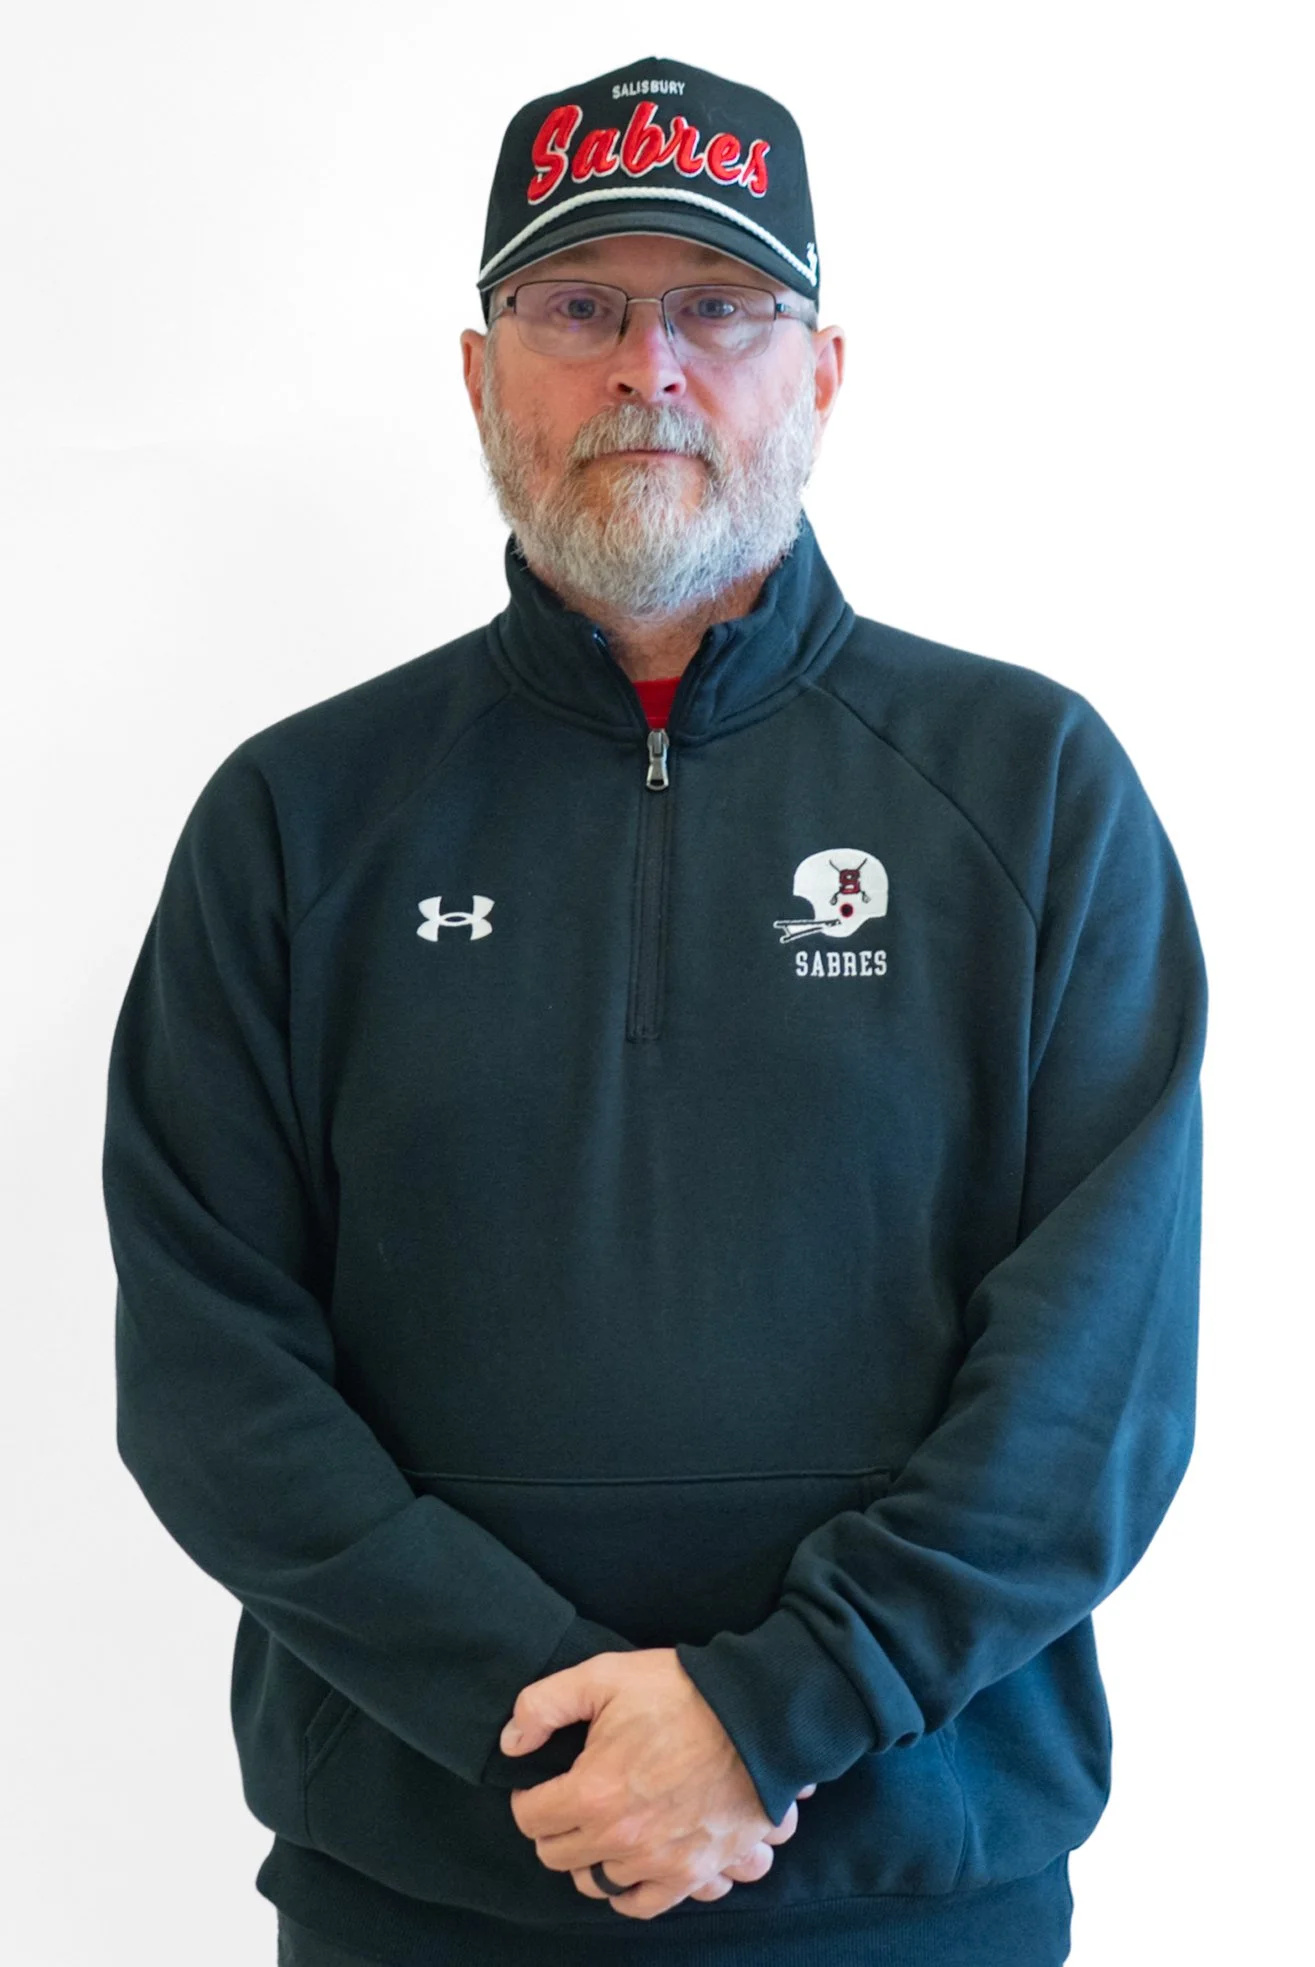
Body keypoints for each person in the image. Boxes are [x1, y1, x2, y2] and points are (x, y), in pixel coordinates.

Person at [102, 53, 1208, 1967]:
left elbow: (1090, 1388)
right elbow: (211, 1378)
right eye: (575, 309)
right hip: (417, 1891)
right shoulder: (298, 818)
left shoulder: (1029, 789)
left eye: (717, 307)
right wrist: (563, 1729)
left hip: (909, 1895)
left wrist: (774, 1711)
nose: (648, 367)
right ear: (478, 376)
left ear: (823, 370)